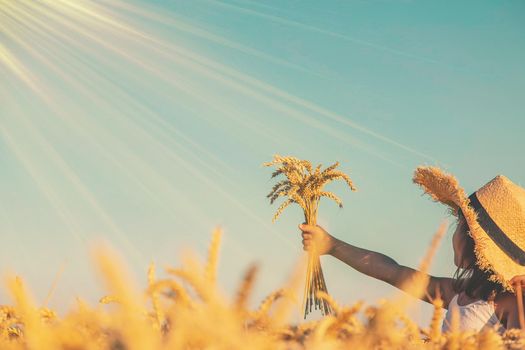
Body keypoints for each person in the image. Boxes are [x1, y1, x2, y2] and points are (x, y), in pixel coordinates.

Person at [299, 166, 525, 332]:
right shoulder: (457, 292)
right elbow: (392, 272)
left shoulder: (511, 303)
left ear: (473, 240)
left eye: (458, 226)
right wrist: (332, 245)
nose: (453, 234)